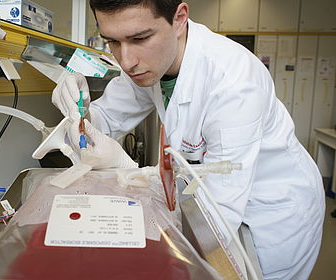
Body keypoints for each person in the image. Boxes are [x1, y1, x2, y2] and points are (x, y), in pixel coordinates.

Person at [52, 1, 325, 279]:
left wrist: (128, 169)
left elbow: (217, 218)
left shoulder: (234, 82)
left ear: (179, 18)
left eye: (140, 38)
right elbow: (106, 119)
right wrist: (81, 111)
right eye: (112, 41)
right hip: (217, 199)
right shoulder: (148, 64)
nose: (126, 61)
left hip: (270, 215)